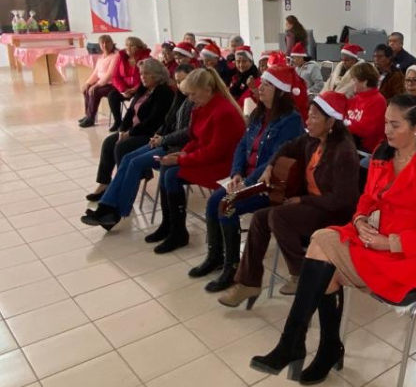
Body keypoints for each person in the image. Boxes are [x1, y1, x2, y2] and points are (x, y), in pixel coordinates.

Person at [250, 94, 416, 385]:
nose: (387, 131)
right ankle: (315, 345)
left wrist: (390, 243)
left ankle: (301, 343)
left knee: (322, 249)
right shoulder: (384, 153)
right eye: (385, 123)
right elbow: (367, 199)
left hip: (413, 253)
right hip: (374, 238)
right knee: (324, 253)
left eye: (395, 125)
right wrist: (360, 220)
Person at [218, 91, 361, 307]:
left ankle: (301, 274)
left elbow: (343, 200)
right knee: (260, 218)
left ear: (331, 122)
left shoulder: (344, 152)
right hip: (312, 205)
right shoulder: (312, 140)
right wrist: (270, 166)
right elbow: (286, 147)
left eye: (314, 117)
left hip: (333, 212)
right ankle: (248, 282)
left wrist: (303, 201)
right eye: (308, 115)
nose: (307, 121)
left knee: (278, 216)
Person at [190, 65, 306, 291]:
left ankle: (233, 267)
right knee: (214, 201)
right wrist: (236, 173)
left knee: (227, 205)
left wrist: (247, 182)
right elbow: (242, 145)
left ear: (280, 91)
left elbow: (275, 158)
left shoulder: (290, 120)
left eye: (267, 85)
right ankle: (215, 256)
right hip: (248, 178)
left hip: (270, 184)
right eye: (262, 83)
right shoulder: (259, 114)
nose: (260, 88)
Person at [147, 68, 246, 254]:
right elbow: (196, 138)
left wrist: (182, 160)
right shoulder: (203, 106)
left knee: (172, 175)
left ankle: (178, 232)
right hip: (209, 158)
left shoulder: (223, 112)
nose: (190, 99)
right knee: (167, 170)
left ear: (207, 90)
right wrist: (182, 153)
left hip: (224, 166)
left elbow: (214, 152)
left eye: (193, 94)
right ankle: (169, 225)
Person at [83, 64, 194, 228]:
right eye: (177, 81)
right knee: (127, 157)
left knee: (132, 160)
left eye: (183, 81)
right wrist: (158, 135)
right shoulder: (179, 96)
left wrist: (161, 139)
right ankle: (106, 207)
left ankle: (115, 213)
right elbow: (166, 122)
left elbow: (186, 132)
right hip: (164, 141)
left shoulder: (185, 98)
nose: (180, 85)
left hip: (175, 148)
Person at [84, 59, 174, 207]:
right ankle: (104, 184)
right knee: (109, 143)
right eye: (141, 73)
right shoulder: (143, 89)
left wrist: (130, 133)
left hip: (150, 134)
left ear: (157, 75)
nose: (142, 76)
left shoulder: (164, 93)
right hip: (134, 130)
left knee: (122, 147)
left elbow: (153, 121)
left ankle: (123, 188)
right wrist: (122, 129)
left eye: (147, 73)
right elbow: (130, 111)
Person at [108, 36, 152, 132]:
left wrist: (135, 88)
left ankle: (129, 123)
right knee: (112, 95)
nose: (128, 48)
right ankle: (118, 122)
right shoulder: (121, 57)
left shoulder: (146, 58)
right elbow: (115, 76)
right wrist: (123, 89)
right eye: (126, 45)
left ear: (139, 47)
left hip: (141, 88)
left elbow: (148, 76)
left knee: (136, 100)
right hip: (125, 89)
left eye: (131, 45)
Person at [78, 35, 122, 128]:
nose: (105, 45)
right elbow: (96, 73)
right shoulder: (101, 57)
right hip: (103, 83)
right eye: (102, 43)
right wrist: (87, 83)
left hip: (113, 84)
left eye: (107, 42)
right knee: (87, 89)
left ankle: (91, 119)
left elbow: (109, 75)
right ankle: (88, 115)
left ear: (112, 43)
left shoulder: (116, 56)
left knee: (94, 91)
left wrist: (96, 85)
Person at [344, 62, 387, 153]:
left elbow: (366, 130)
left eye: (354, 79)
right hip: (351, 144)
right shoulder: (355, 99)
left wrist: (345, 124)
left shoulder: (378, 101)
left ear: (365, 82)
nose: (352, 83)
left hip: (367, 150)